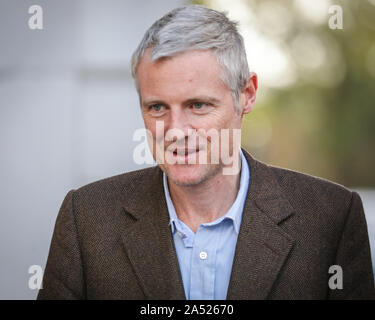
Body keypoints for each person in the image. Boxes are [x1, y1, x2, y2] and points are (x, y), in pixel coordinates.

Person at [37, 5, 374, 300]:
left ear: (246, 95)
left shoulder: (331, 218)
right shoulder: (87, 220)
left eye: (198, 105)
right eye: (157, 107)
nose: (176, 130)